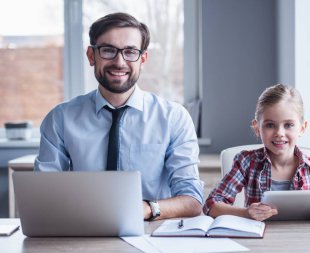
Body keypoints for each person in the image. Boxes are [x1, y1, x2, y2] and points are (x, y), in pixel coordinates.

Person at [35, 12, 203, 221]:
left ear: (143, 58)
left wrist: (147, 208)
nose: (119, 61)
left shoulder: (174, 118)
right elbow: (43, 196)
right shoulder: (60, 118)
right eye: (108, 50)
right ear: (91, 55)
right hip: (82, 230)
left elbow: (193, 200)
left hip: (151, 234)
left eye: (130, 52)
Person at [203, 84, 310, 222]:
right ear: (257, 128)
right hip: (261, 242)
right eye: (270, 125)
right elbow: (211, 205)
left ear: (302, 128)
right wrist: (246, 213)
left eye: (288, 125)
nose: (279, 133)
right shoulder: (246, 162)